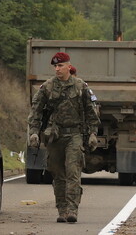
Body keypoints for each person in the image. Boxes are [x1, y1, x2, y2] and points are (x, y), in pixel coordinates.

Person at [27, 52, 100, 223]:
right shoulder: (48, 87)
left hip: (74, 134)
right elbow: (36, 110)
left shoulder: (81, 86)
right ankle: (62, 209)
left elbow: (91, 111)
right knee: (58, 174)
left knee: (73, 172)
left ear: (69, 66)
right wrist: (34, 132)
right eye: (55, 66)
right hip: (54, 136)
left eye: (60, 66)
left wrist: (93, 133)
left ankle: (72, 210)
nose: (57, 69)